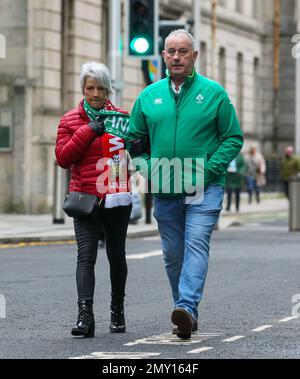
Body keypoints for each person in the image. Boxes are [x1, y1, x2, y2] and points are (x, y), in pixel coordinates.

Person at [127, 30, 243, 339]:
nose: (176, 57)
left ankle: (186, 307)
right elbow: (134, 141)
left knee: (195, 247)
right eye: (171, 51)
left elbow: (232, 138)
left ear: (195, 56)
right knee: (173, 255)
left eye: (183, 51)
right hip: (165, 189)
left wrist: (208, 169)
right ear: (163, 56)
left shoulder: (214, 93)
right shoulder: (148, 96)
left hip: (205, 188)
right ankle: (186, 311)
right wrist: (148, 168)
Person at [55, 62, 132, 338]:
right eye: (90, 88)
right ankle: (85, 316)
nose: (96, 94)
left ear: (108, 89)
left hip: (116, 198)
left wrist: (136, 143)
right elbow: (63, 158)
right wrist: (89, 130)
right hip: (85, 198)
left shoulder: (122, 118)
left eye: (101, 88)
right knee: (85, 257)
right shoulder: (69, 120)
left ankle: (117, 310)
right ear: (83, 89)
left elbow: (133, 151)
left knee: (116, 256)